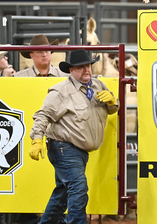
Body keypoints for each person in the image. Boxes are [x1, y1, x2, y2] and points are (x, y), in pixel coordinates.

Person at [28, 49, 119, 223]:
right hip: (64, 148)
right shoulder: (60, 92)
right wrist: (37, 139)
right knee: (78, 188)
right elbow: (43, 115)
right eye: (81, 67)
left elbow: (112, 109)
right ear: (71, 70)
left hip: (78, 150)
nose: (87, 70)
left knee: (63, 193)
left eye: (88, 66)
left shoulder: (98, 86)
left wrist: (113, 102)